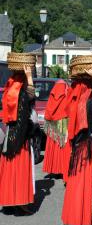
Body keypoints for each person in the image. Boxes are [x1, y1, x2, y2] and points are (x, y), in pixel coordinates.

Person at [62, 68, 92, 225]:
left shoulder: (76, 95)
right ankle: (86, 221)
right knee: (90, 183)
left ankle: (76, 218)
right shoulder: (88, 97)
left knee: (78, 184)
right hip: (89, 145)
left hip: (78, 146)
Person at [0, 65, 35, 214]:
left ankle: (9, 201)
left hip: (10, 133)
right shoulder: (20, 90)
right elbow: (31, 96)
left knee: (9, 169)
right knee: (20, 170)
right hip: (20, 137)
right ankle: (20, 203)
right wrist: (29, 76)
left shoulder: (9, 89)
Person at [43, 79, 70, 182]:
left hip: (54, 123)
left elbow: (49, 111)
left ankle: (55, 169)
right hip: (64, 123)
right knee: (63, 147)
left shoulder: (52, 95)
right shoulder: (67, 93)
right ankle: (63, 169)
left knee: (54, 147)